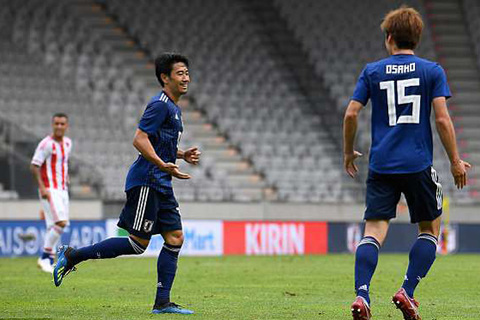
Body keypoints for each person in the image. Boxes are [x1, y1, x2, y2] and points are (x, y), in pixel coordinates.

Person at [343, 7, 471, 320]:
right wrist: (455, 161)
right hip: (417, 164)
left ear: (389, 38)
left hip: (382, 165)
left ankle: (362, 295)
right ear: (417, 37)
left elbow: (350, 113)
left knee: (373, 231)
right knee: (430, 229)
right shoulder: (432, 71)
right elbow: (441, 118)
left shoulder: (372, 71)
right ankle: (407, 291)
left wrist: (348, 152)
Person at [53, 53, 200, 315]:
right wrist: (161, 163)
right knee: (136, 244)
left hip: (161, 181)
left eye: (187, 72)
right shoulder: (160, 105)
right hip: (147, 180)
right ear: (165, 78)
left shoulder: (174, 109)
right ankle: (73, 255)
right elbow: (139, 139)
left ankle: (162, 303)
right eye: (180, 73)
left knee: (175, 237)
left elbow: (158, 142)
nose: (186, 77)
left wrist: (180, 155)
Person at [30, 113, 72, 273]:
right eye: (57, 124)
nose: (59, 127)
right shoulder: (46, 144)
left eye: (62, 124)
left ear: (67, 126)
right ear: (52, 125)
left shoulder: (68, 143)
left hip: (62, 189)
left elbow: (63, 163)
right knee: (60, 223)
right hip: (49, 189)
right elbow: (34, 166)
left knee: (54, 226)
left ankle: (49, 259)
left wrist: (66, 176)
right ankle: (44, 257)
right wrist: (42, 187)